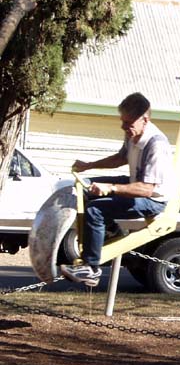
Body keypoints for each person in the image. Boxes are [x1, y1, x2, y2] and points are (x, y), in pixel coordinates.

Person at [60, 92, 174, 287]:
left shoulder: (156, 144)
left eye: (128, 123)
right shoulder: (133, 133)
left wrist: (110, 188)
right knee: (84, 187)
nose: (123, 127)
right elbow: (121, 158)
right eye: (122, 121)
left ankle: (91, 269)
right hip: (135, 183)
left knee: (95, 210)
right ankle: (112, 231)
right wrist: (89, 165)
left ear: (144, 120)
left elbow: (147, 189)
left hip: (153, 199)